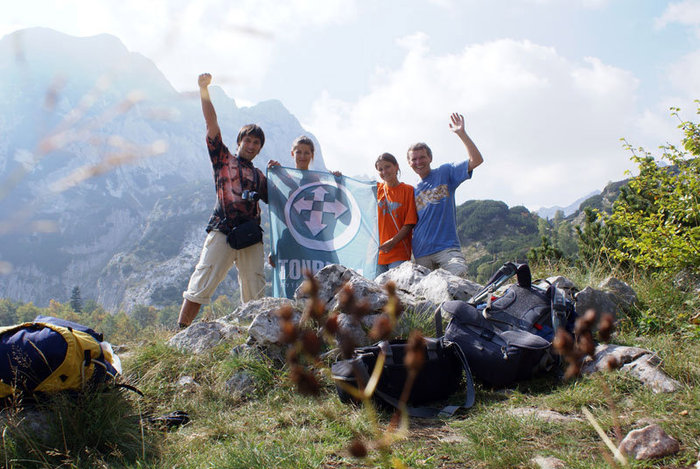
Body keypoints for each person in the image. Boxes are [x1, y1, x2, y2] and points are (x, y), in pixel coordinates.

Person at [177, 73, 269, 328]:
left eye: (256, 143)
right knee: (201, 281)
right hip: (223, 229)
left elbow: (284, 200)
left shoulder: (260, 176)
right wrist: (203, 90)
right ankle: (180, 333)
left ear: (260, 149)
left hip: (251, 236)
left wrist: (282, 172)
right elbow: (211, 124)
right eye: (247, 140)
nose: (251, 145)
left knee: (256, 291)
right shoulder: (223, 160)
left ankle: (256, 338)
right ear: (239, 142)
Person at [408, 112, 484, 276]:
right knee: (426, 298)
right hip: (421, 252)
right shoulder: (410, 190)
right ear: (409, 163)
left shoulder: (445, 172)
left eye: (422, 157)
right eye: (414, 159)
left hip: (447, 248)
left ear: (430, 158)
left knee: (458, 274)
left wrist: (461, 134)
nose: (418, 162)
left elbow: (476, 160)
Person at [267, 136, 340, 298]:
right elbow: (276, 212)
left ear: (312, 155)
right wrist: (274, 249)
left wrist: (338, 183)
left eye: (306, 153)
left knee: (318, 283)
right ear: (292, 154)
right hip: (290, 240)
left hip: (314, 241)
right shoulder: (281, 179)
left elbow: (336, 208)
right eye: (298, 152)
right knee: (291, 283)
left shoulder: (318, 180)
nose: (302, 156)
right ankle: (291, 319)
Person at [375, 153, 417, 276]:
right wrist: (338, 177)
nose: (384, 172)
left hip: (399, 253)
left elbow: (409, 223)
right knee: (376, 293)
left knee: (396, 292)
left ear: (396, 167)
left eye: (387, 167)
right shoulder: (376, 189)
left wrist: (392, 242)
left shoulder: (408, 190)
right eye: (380, 169)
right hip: (377, 255)